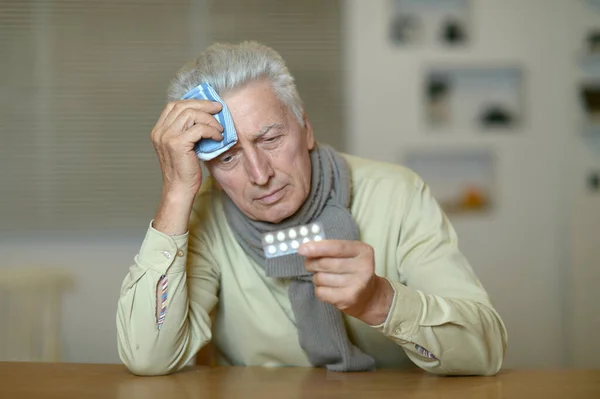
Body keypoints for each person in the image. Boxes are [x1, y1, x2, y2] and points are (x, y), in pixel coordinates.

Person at [116, 41, 507, 376]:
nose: (259, 174)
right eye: (228, 158)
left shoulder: (396, 194)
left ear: (306, 126)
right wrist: (177, 192)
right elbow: (147, 358)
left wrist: (380, 302)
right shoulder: (204, 215)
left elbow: (484, 351)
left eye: (270, 139)